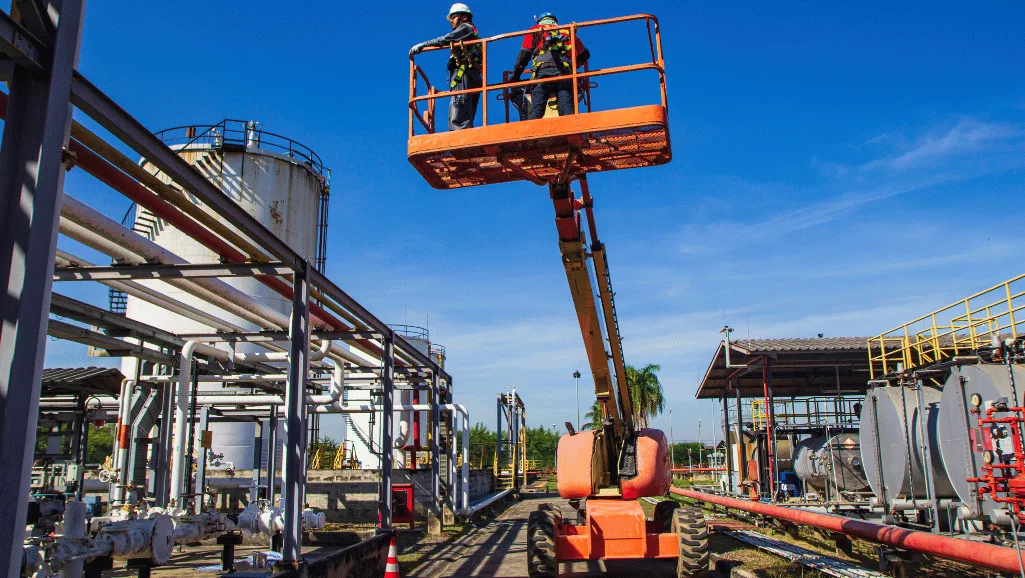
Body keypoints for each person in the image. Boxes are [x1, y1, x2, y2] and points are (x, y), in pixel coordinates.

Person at [409, 3, 483, 131]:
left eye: (453, 17)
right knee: (467, 108)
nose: (451, 21)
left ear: (464, 17)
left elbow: (448, 38)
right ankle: (464, 130)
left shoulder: (466, 28)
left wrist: (424, 45)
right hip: (472, 74)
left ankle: (458, 133)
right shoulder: (471, 32)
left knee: (459, 106)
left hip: (463, 73)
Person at [510, 12, 590, 120]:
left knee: (537, 109)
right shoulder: (568, 31)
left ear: (540, 21)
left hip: (543, 72)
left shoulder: (536, 29)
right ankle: (571, 132)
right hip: (564, 74)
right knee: (566, 107)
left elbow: (524, 55)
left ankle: (532, 132)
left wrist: (515, 77)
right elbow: (584, 55)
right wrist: (573, 67)